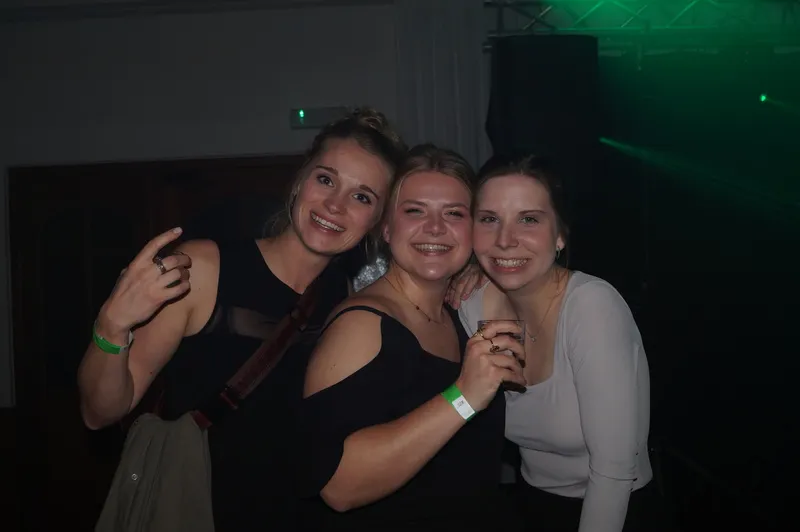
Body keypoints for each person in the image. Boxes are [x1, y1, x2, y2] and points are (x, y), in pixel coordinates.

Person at [77, 108, 407, 532]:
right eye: (326, 179)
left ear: (377, 223)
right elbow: (100, 413)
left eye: (362, 197)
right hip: (196, 509)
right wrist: (112, 326)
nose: (334, 205)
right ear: (300, 180)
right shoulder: (203, 268)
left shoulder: (345, 299)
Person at [299, 144, 526, 530]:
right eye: (415, 211)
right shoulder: (362, 325)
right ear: (387, 228)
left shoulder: (458, 315)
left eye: (454, 213)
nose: (435, 227)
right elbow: (336, 486)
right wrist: (463, 397)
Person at [458, 154, 659, 532]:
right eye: (489, 219)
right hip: (530, 505)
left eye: (529, 219)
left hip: (615, 509)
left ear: (560, 235)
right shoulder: (472, 306)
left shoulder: (592, 307)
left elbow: (614, 472)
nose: (505, 240)